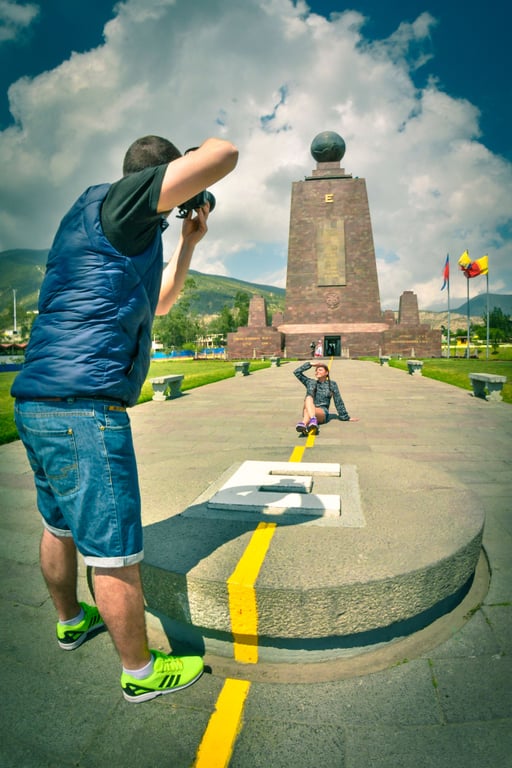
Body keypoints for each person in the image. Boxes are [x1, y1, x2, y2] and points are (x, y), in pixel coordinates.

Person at [11, 134, 238, 703]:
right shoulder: (124, 202)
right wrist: (199, 170)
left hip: (39, 402)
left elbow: (159, 303)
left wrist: (187, 242)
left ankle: (70, 620)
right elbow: (225, 153)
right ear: (162, 179)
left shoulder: (102, 220)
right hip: (84, 408)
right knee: (114, 547)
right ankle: (139, 671)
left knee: (58, 524)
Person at [294, 361, 358, 435]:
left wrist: (345, 417)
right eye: (316, 370)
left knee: (308, 410)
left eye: (320, 370)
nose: (317, 372)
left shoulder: (332, 384)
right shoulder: (310, 382)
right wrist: (310, 364)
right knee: (308, 398)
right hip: (308, 408)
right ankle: (312, 421)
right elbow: (297, 372)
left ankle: (304, 424)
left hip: (322, 412)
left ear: (326, 373)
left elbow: (338, 400)